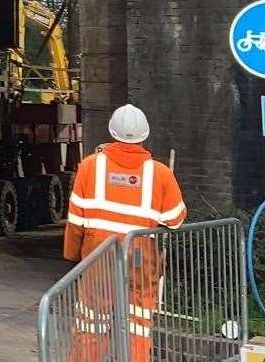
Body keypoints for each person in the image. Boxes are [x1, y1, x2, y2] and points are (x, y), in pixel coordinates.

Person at [64, 104, 187, 362]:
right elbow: (175, 220)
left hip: (99, 257)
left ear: (112, 133)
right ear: (144, 135)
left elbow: (76, 220)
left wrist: (74, 256)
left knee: (91, 324)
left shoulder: (89, 167)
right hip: (141, 259)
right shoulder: (160, 173)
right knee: (137, 324)